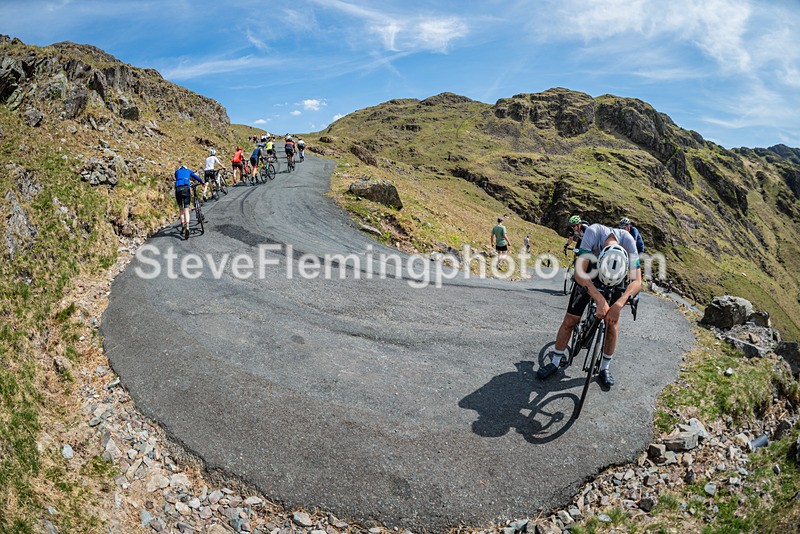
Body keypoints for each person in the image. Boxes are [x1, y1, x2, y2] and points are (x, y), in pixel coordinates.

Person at [537, 223, 641, 387]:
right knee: (571, 319)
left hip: (617, 277)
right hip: (590, 272)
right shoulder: (593, 233)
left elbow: (637, 281)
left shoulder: (628, 241)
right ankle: (555, 361)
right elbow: (579, 274)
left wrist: (619, 305)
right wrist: (599, 299)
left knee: (612, 323)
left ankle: (604, 367)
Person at [174, 164, 204, 239]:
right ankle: (187, 227)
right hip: (185, 188)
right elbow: (195, 177)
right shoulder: (188, 171)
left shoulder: (177, 172)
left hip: (178, 189)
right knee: (186, 210)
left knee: (181, 209)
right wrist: (201, 181)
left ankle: (182, 226)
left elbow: (176, 177)